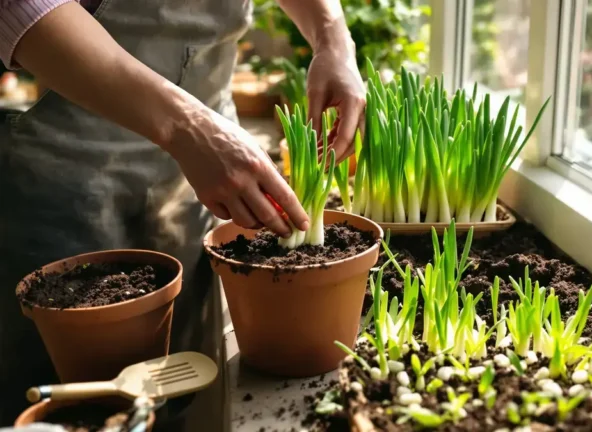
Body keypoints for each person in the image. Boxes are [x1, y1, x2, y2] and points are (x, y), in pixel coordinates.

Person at [0, 0, 366, 426]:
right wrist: (187, 127)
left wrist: (333, 35)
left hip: (204, 176)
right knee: (71, 405)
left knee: (181, 399)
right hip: (66, 178)